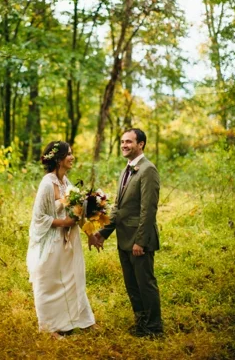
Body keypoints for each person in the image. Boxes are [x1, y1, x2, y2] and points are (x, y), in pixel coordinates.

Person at [91, 128, 163, 337]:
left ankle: (154, 329)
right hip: (124, 239)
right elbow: (118, 209)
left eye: (129, 142)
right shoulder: (126, 169)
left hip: (139, 241)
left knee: (145, 284)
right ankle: (141, 323)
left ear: (141, 144)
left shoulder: (148, 170)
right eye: (122, 141)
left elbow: (148, 210)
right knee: (132, 285)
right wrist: (103, 233)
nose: (124, 145)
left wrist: (140, 241)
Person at [26, 141, 95, 338]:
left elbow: (78, 213)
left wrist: (91, 233)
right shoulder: (47, 184)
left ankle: (78, 320)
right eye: (69, 154)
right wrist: (63, 223)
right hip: (51, 239)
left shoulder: (67, 183)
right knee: (48, 282)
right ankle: (48, 328)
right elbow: (38, 217)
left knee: (70, 280)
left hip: (68, 241)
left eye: (72, 153)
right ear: (58, 159)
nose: (72, 157)